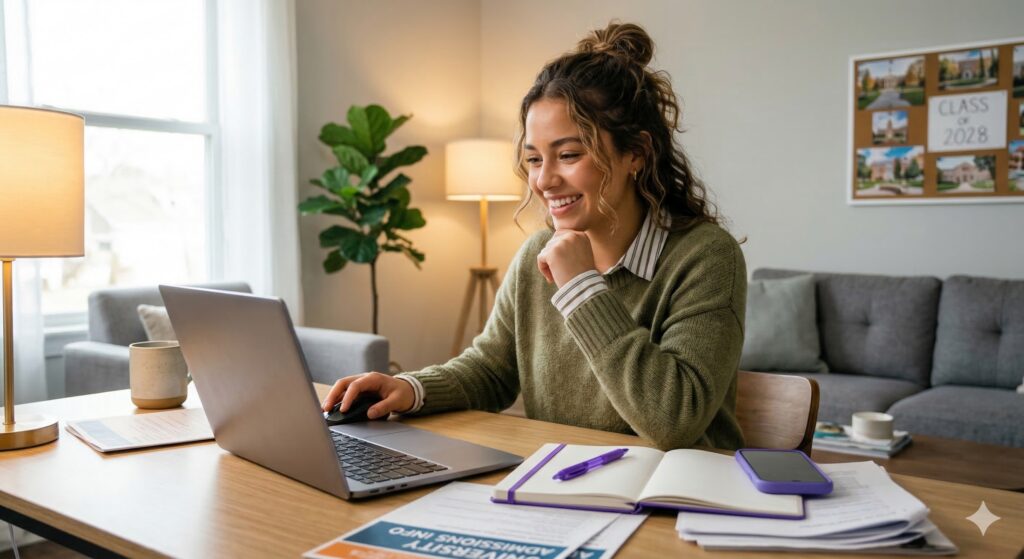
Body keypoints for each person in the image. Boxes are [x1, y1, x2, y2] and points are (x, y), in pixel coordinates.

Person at [322, 21, 747, 451]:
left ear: (635, 153)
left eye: (568, 155)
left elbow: (674, 420)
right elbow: (491, 369)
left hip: (678, 500)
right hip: (564, 485)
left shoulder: (706, 257)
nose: (543, 181)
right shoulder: (536, 255)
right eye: (533, 159)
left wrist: (581, 286)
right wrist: (411, 389)